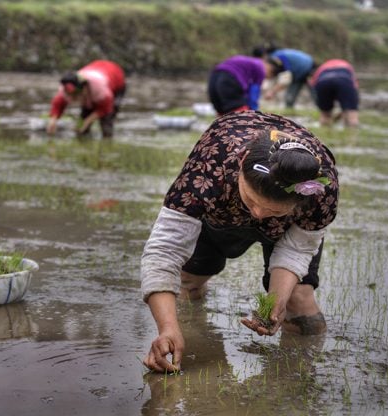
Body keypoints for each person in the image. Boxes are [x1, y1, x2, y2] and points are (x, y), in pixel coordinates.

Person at [140, 111, 338, 373]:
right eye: (252, 200)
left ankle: (296, 379)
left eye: (272, 210)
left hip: (286, 229)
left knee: (299, 300)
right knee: (188, 281)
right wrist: (167, 328)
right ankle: (182, 341)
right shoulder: (212, 165)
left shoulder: (321, 191)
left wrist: (276, 300)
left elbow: (298, 247)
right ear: (241, 164)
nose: (257, 214)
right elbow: (164, 251)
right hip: (222, 212)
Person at [46, 60, 126, 139]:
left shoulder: (99, 86)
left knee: (106, 120)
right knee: (83, 121)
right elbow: (58, 104)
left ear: (84, 88)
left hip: (116, 79)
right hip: (96, 73)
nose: (73, 98)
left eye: (76, 95)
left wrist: (88, 121)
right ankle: (84, 140)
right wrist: (53, 120)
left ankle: (107, 141)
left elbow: (106, 108)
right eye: (70, 95)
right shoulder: (64, 89)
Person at [208, 55, 280, 115]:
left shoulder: (251, 63)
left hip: (214, 77)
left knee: (222, 110)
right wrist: (254, 113)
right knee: (239, 113)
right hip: (229, 79)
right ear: (270, 68)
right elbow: (254, 93)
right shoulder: (260, 68)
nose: (265, 77)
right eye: (268, 76)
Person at [310, 59, 359, 128]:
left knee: (325, 114)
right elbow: (354, 86)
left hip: (323, 82)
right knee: (351, 114)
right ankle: (352, 133)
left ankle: (324, 132)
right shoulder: (347, 66)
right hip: (344, 81)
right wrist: (348, 107)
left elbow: (314, 84)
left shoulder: (322, 67)